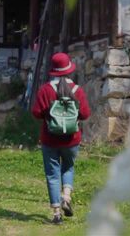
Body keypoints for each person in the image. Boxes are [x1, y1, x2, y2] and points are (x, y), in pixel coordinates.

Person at [32, 52, 91, 224]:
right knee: (68, 168)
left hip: (50, 139)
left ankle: (57, 214)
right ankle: (66, 196)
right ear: (69, 70)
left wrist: (48, 114)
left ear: (53, 70)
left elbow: (36, 113)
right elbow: (85, 114)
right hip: (72, 139)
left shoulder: (45, 90)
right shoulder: (77, 90)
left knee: (52, 174)